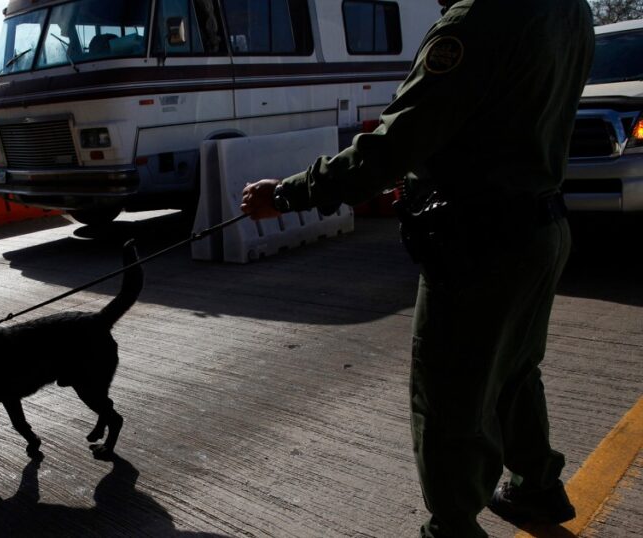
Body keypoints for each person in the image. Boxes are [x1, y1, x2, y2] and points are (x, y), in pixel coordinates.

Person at [239, 1, 595, 536]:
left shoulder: (477, 20)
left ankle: (453, 527)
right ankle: (536, 489)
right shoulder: (569, 9)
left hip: (479, 244)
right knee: (514, 370)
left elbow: (396, 142)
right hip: (540, 227)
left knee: (449, 394)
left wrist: (289, 194)